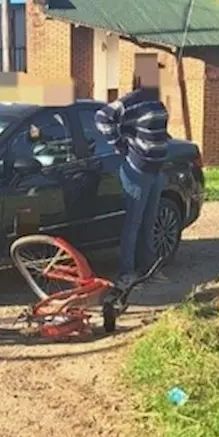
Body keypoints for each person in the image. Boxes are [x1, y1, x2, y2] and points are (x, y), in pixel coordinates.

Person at [94, 79, 169, 292]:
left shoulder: (156, 102)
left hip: (156, 170)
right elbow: (102, 117)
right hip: (137, 170)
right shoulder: (131, 101)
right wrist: (119, 144)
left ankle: (148, 270)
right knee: (133, 223)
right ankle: (126, 273)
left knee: (149, 221)